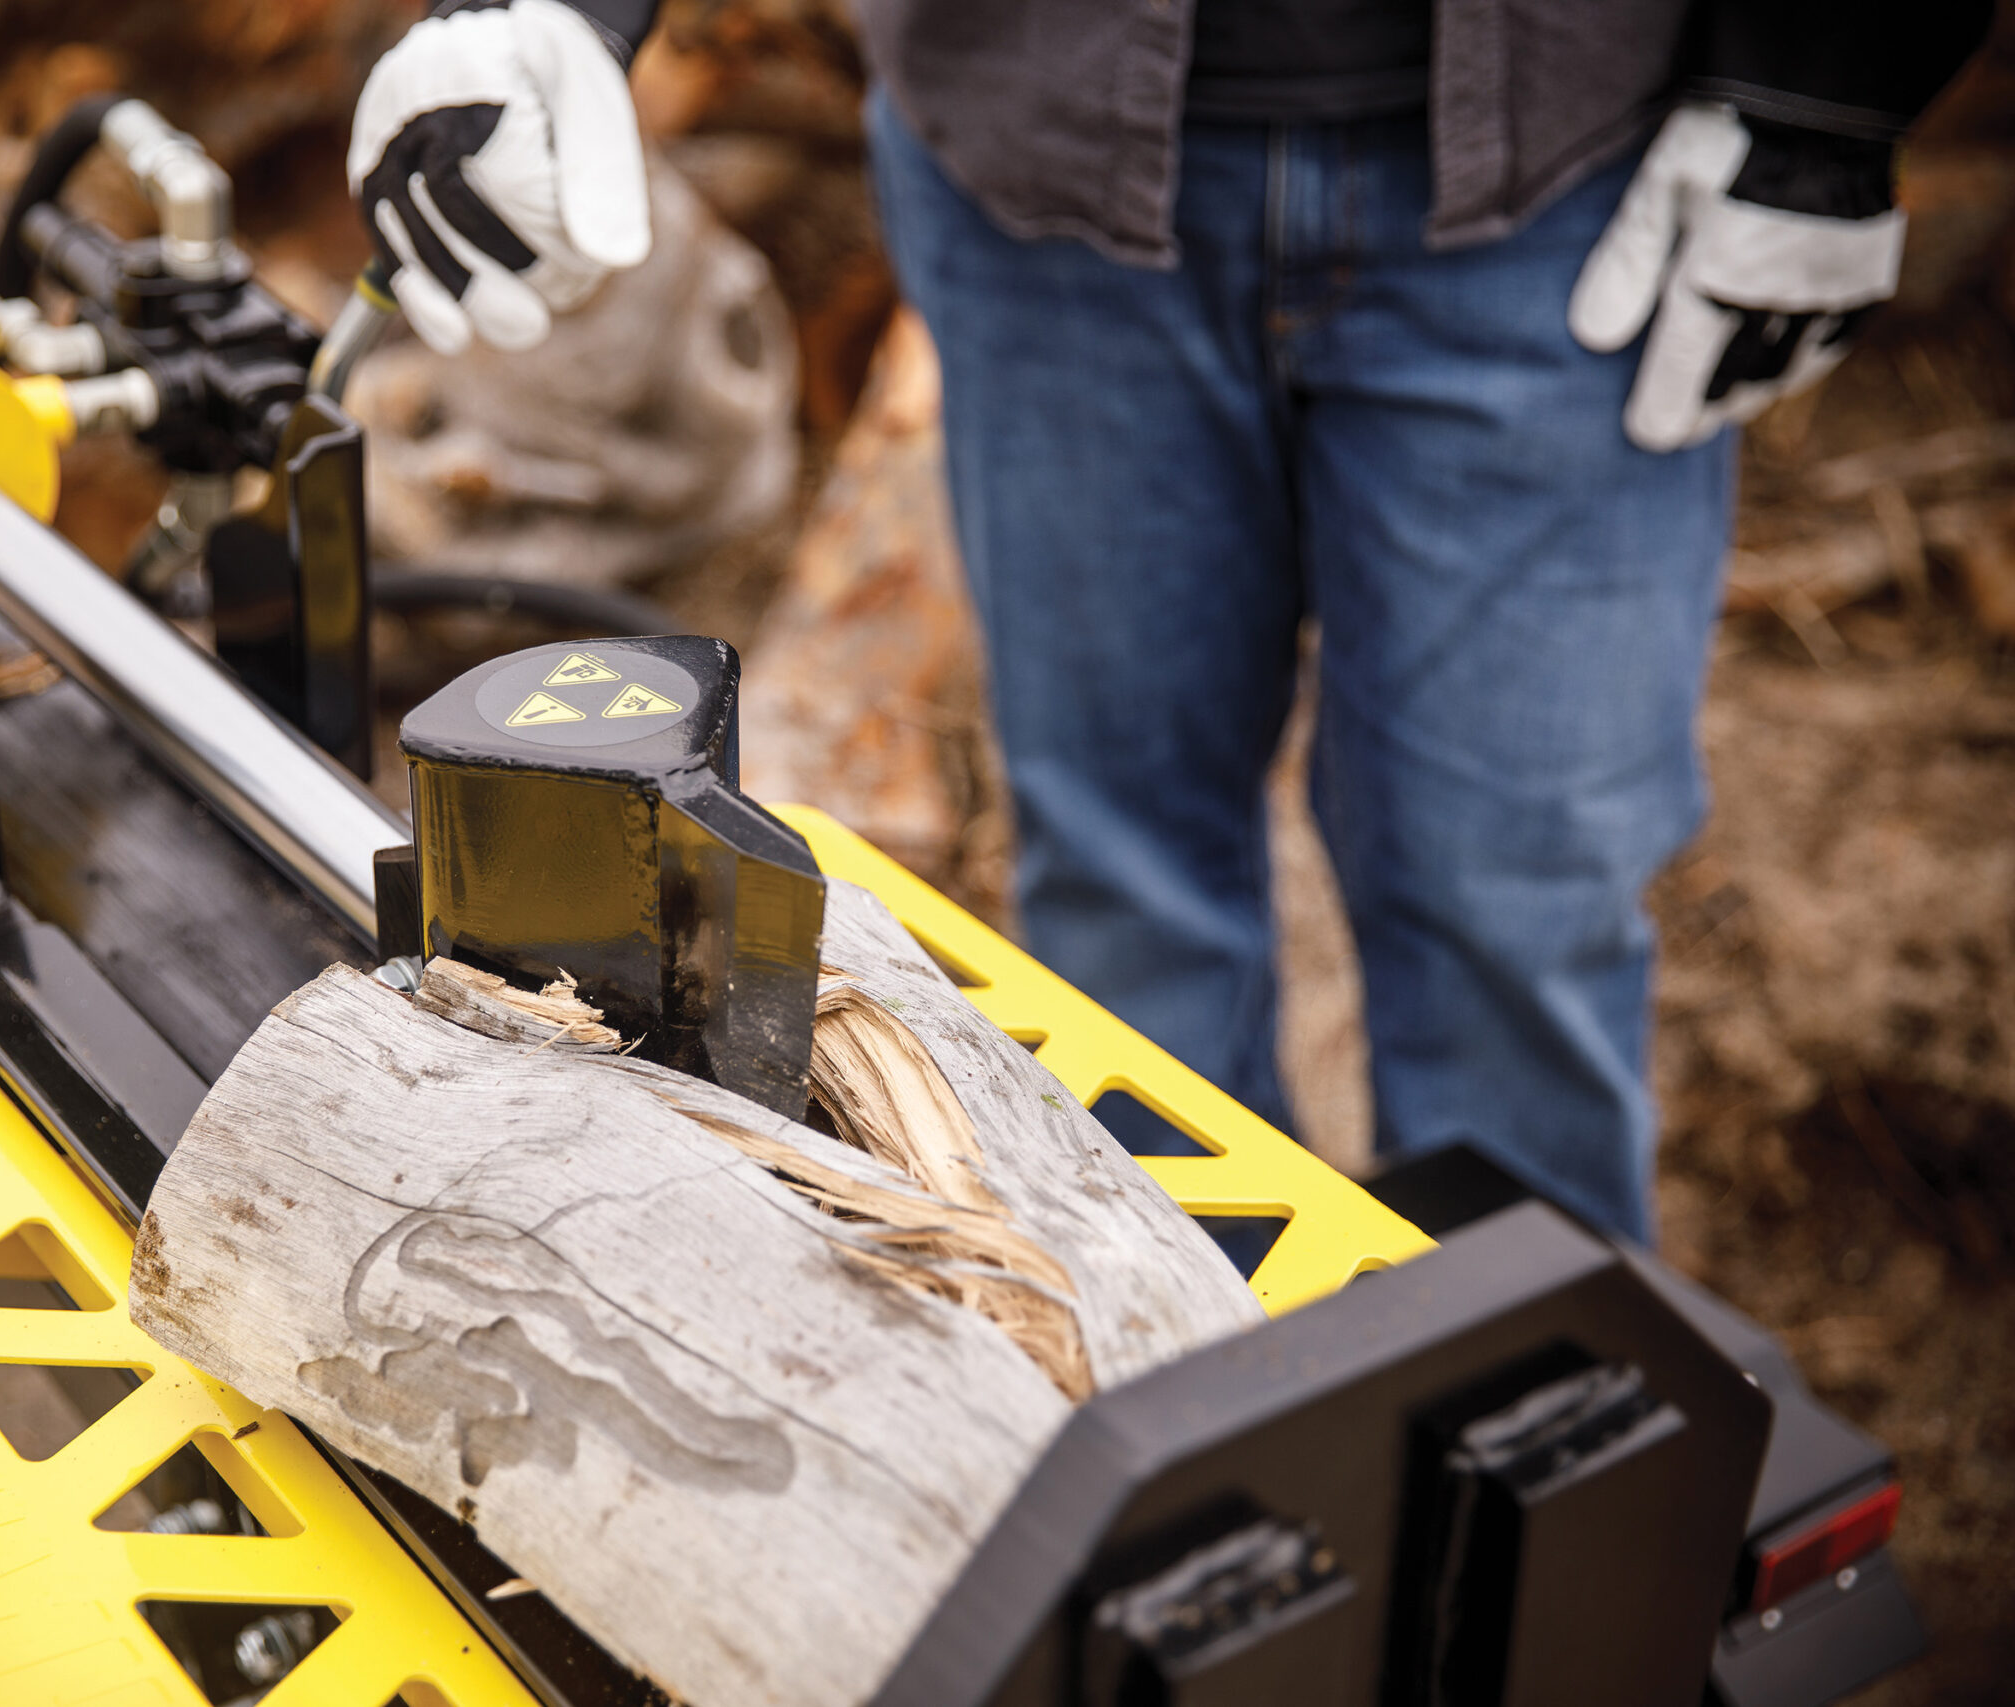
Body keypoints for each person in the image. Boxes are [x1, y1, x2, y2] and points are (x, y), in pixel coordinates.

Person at [344, 0, 1993, 1239]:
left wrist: (1825, 70)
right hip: (1047, 172)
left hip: (1566, 179)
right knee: (1124, 873)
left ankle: (1555, 1476)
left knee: (1518, 893)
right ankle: (1204, 1441)